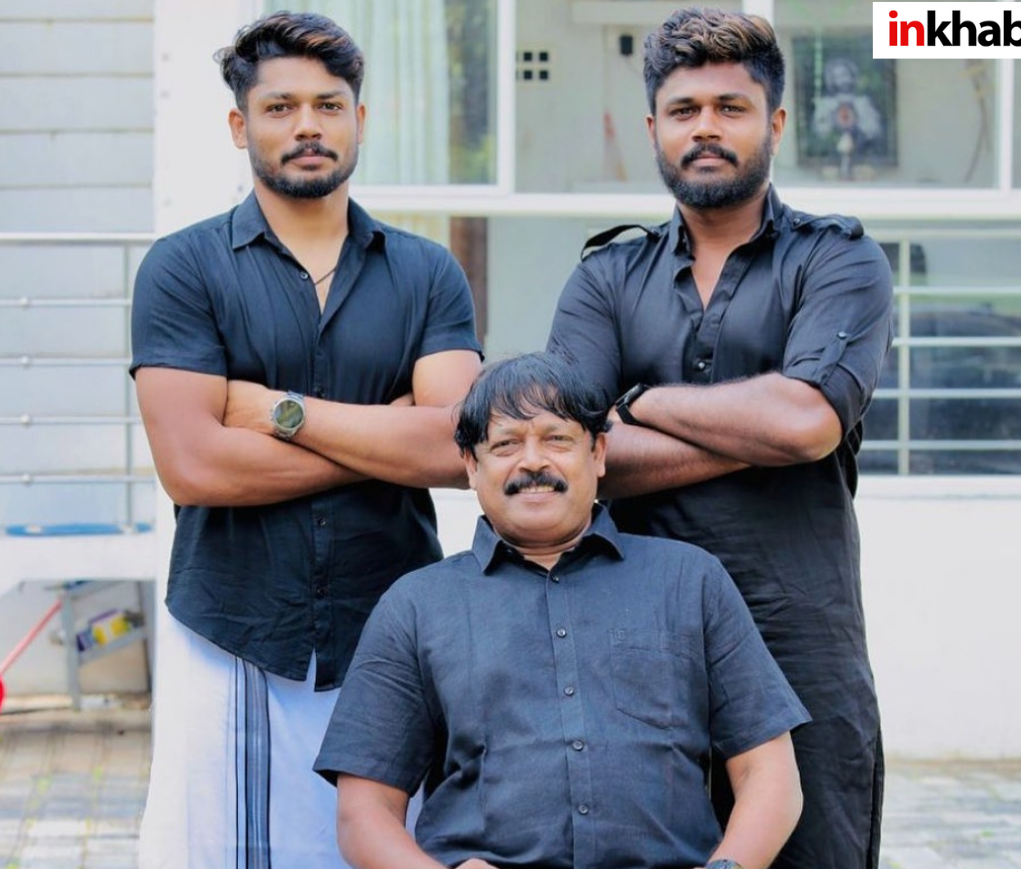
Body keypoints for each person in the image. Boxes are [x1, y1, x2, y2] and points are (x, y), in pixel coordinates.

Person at [130, 11, 482, 869]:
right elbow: (194, 467)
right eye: (280, 107)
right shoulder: (183, 269)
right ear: (239, 124)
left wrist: (279, 413)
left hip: (390, 627)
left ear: (361, 119)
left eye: (329, 105)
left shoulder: (426, 271)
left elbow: (455, 450)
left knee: (388, 850)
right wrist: (386, 430)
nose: (307, 126)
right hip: (230, 627)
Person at [546, 7, 893, 869]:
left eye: (731, 108)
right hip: (632, 638)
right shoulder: (605, 278)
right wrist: (764, 428)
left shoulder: (837, 261)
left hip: (798, 638)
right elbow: (568, 455)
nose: (706, 127)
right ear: (653, 130)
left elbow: (807, 421)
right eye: (685, 109)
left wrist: (639, 403)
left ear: (775, 123)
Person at [314, 352, 810, 869]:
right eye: (506, 444)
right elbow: (363, 812)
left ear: (598, 453)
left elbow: (769, 773)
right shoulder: (415, 606)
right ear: (471, 465)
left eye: (557, 439)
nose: (532, 462)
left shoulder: (690, 580)